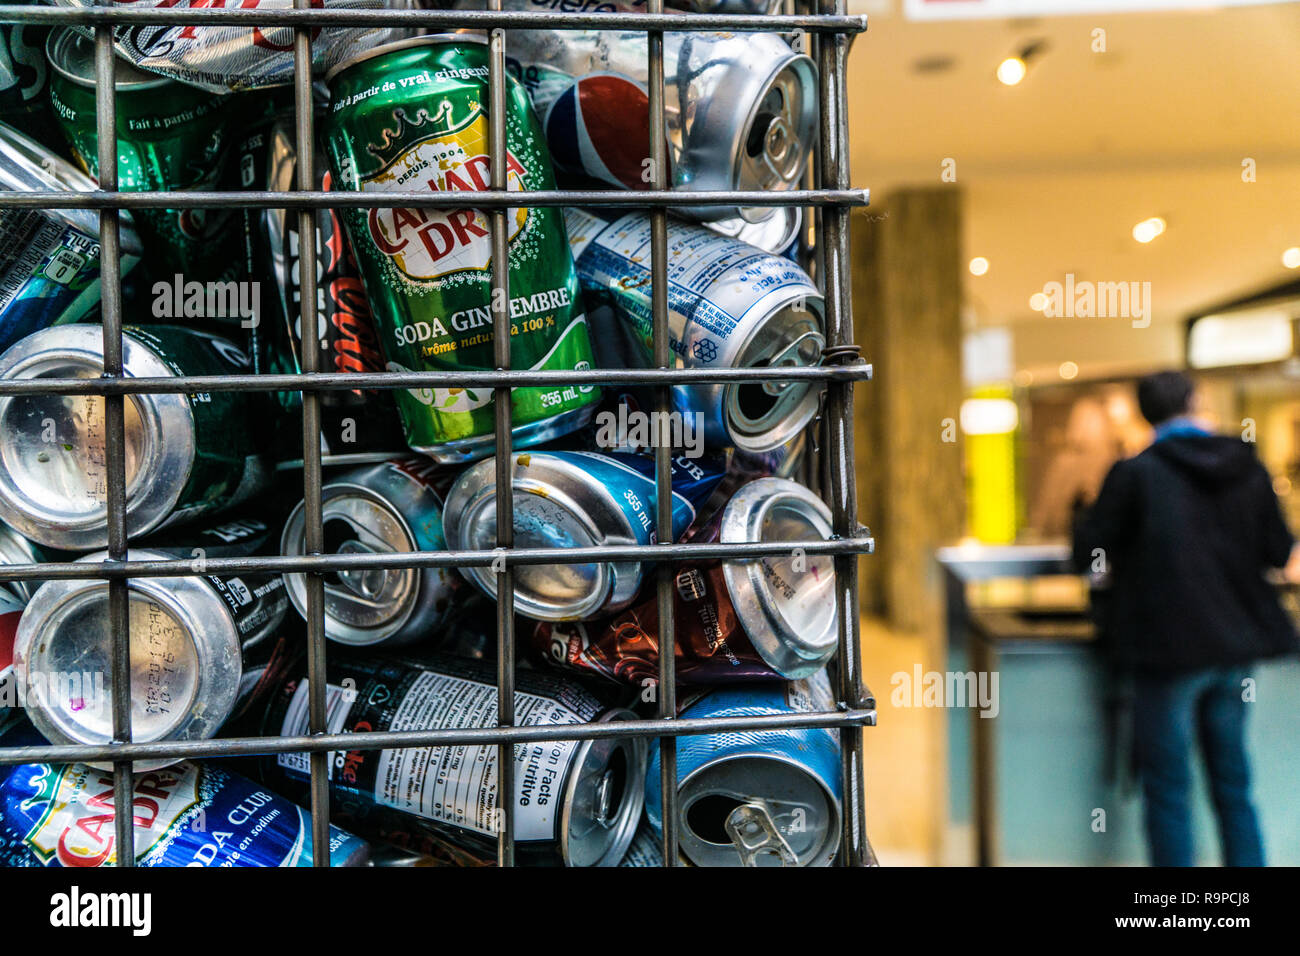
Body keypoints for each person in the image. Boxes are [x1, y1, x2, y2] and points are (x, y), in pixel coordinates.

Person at [1073, 370, 1300, 866]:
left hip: (1167, 651)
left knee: (1168, 787)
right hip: (1236, 650)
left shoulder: (1135, 473)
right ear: (1196, 403)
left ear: (1145, 414)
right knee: (1233, 781)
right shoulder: (1248, 466)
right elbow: (1280, 551)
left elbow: (1088, 551)